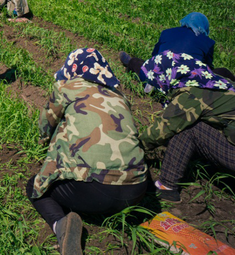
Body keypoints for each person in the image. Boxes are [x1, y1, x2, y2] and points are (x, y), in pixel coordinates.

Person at [26, 48, 148, 255]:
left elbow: (46, 124)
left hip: (95, 191)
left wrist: (44, 144)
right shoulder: (119, 96)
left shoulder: (68, 87)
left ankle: (60, 226)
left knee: (35, 186)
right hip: (137, 191)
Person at [136, 49, 235, 203]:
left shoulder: (192, 93)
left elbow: (163, 129)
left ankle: (166, 188)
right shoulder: (215, 81)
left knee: (189, 127)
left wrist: (132, 148)